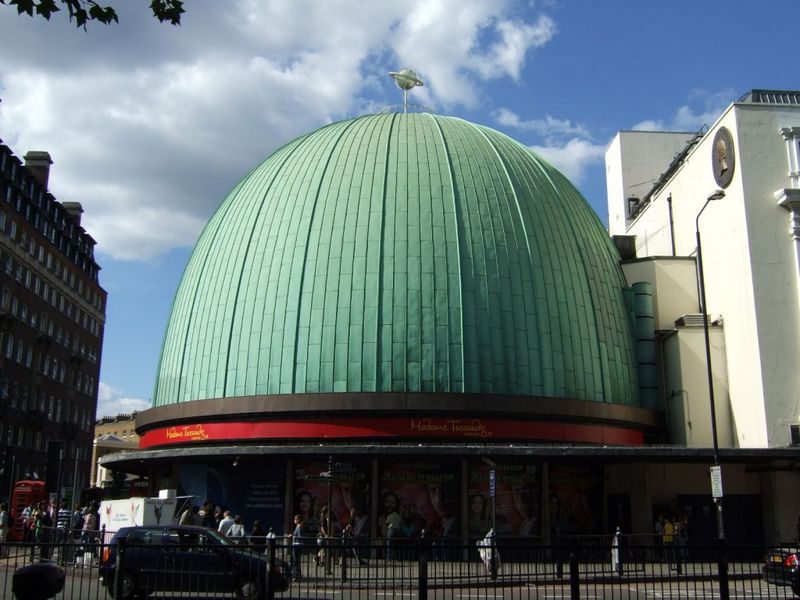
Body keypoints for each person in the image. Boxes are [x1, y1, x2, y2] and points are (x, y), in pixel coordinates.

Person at [288, 514, 304, 582]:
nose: (294, 520)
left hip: (296, 546)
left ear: (299, 520)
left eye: (295, 519)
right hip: (295, 545)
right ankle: (297, 575)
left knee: (295, 561)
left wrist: (292, 535)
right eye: (294, 519)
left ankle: (296, 576)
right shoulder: (297, 527)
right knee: (295, 561)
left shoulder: (299, 527)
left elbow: (300, 537)